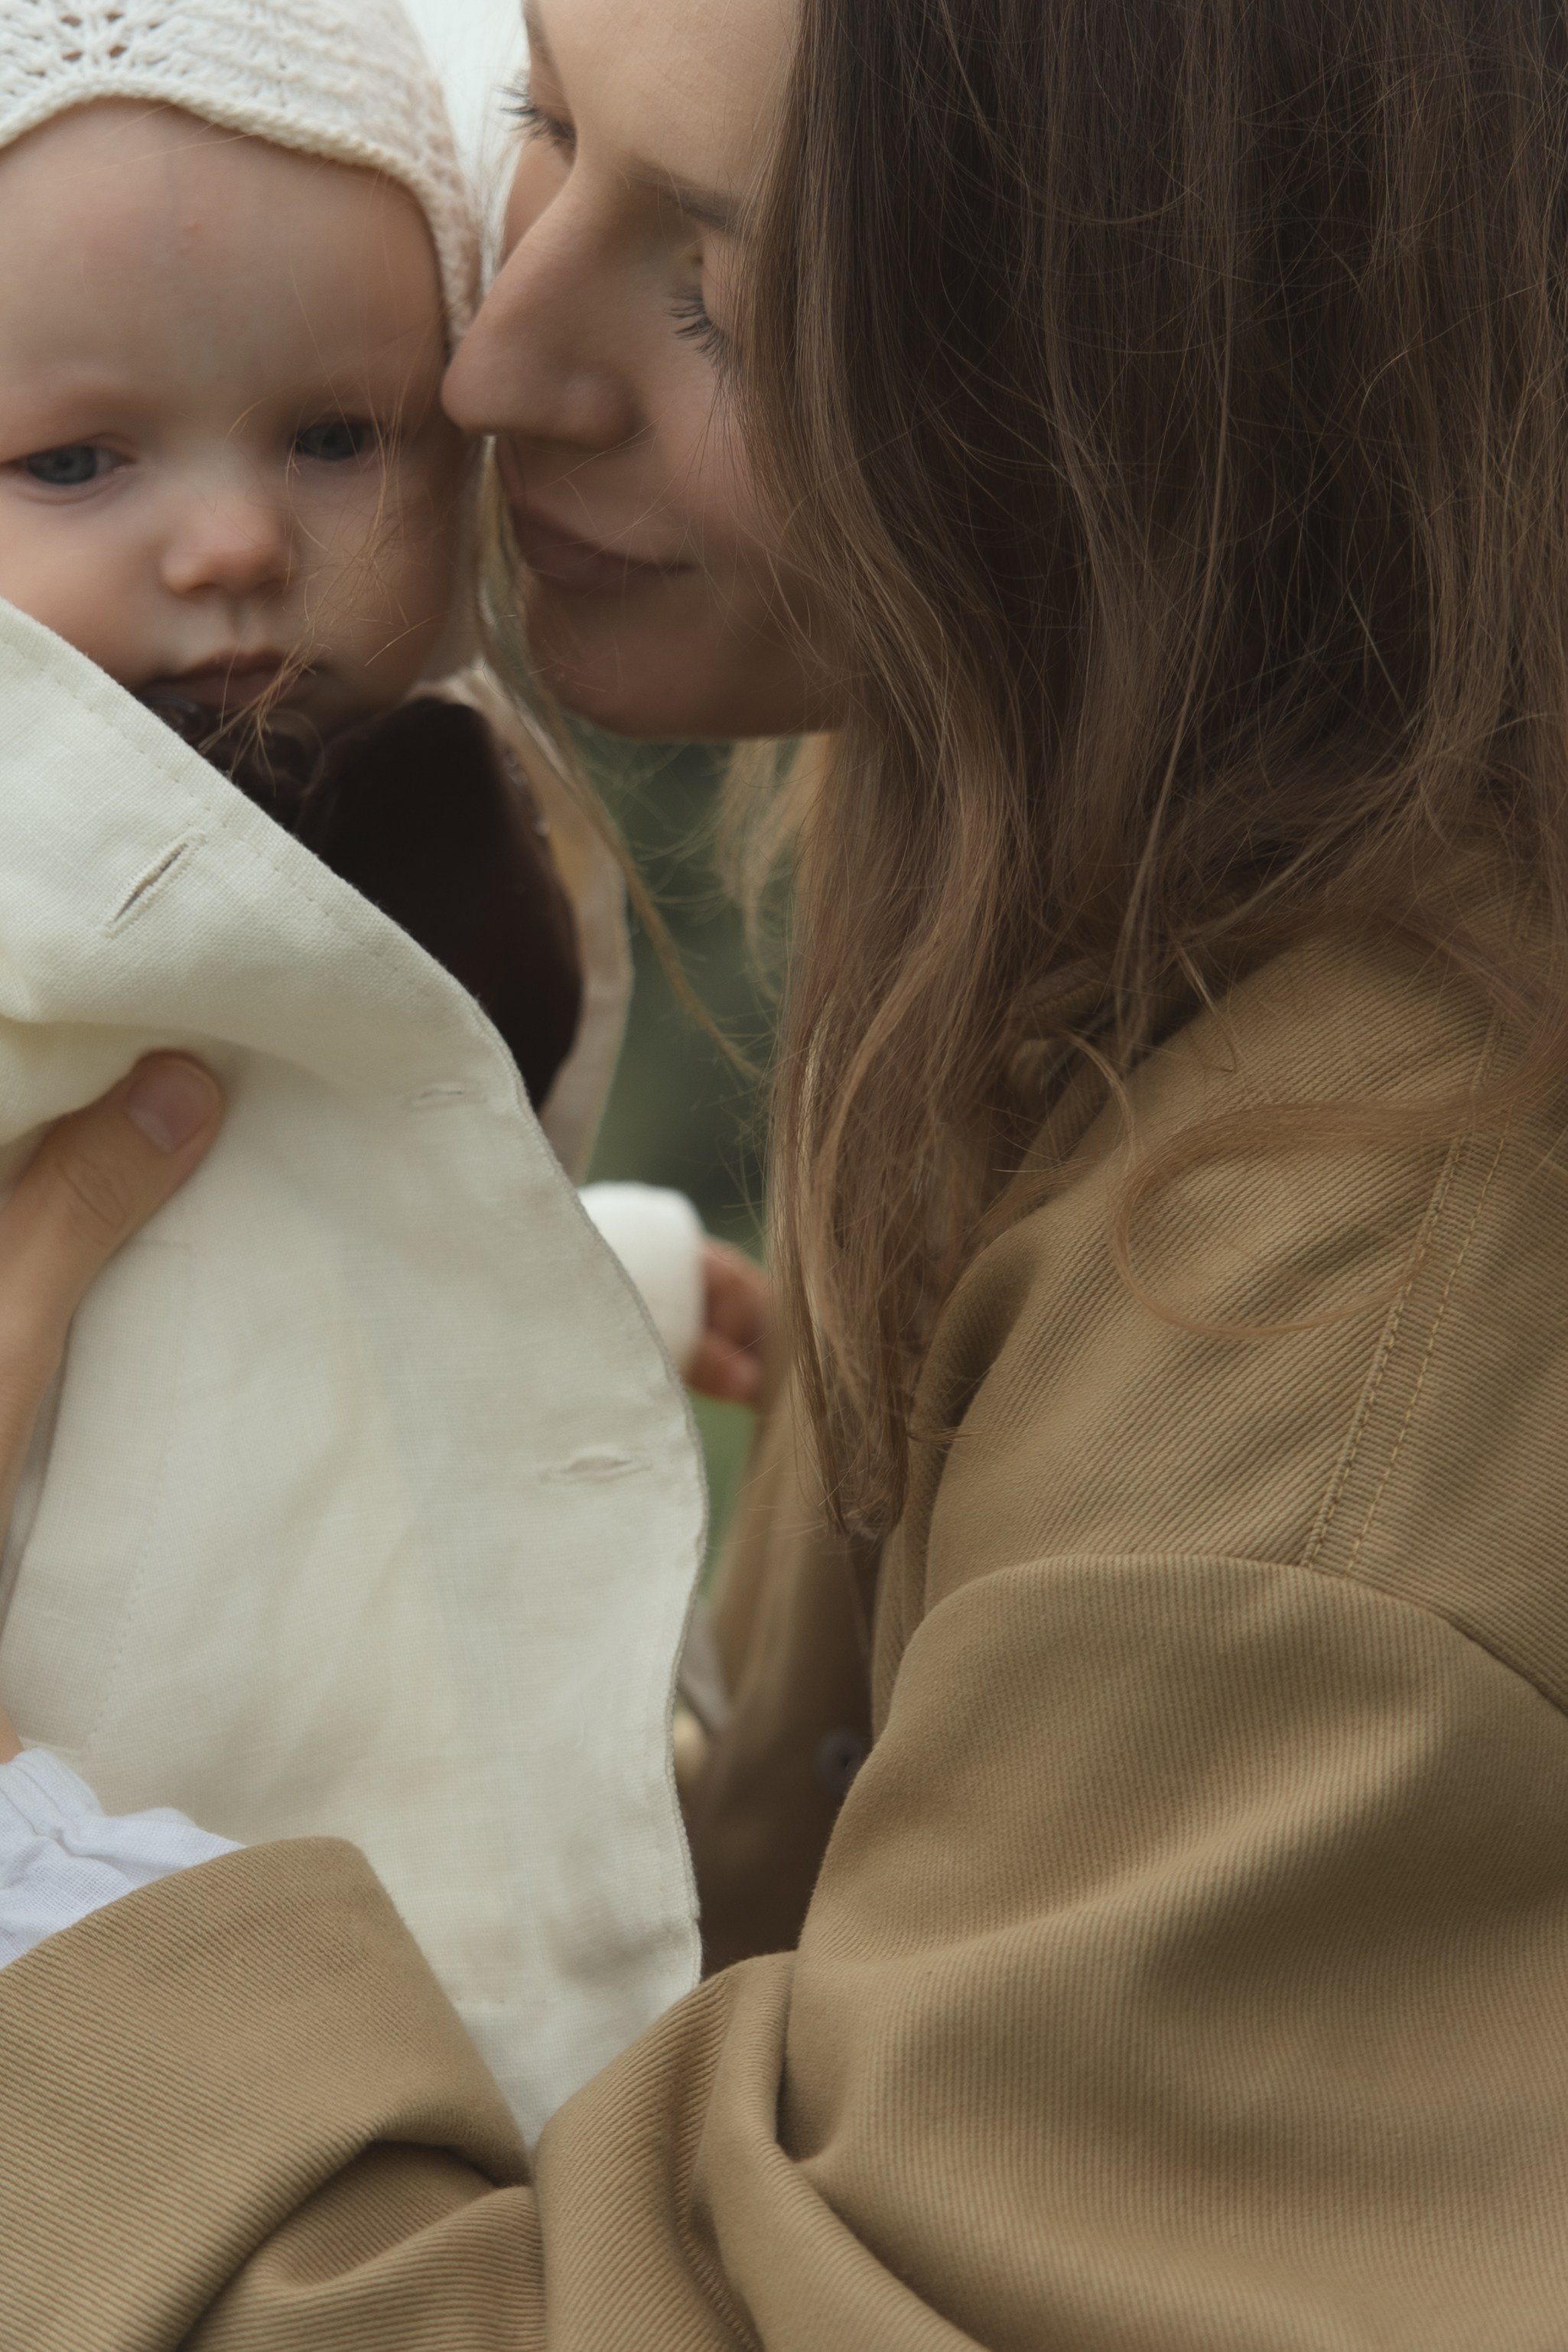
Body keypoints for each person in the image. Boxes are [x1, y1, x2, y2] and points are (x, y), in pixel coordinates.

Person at [10, 0, 1568, 2343]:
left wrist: (43, 1873)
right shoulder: (1058, 837)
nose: (486, 357)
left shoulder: (1327, 1414)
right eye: (540, 117)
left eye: (730, 294)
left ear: (1193, 377)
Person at [0, 0, 717, 2141]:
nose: (229, 542)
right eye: (73, 460)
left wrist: (633, 1270)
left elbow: (345, 1250)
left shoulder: (438, 823)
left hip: (343, 1844)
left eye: (333, 437)